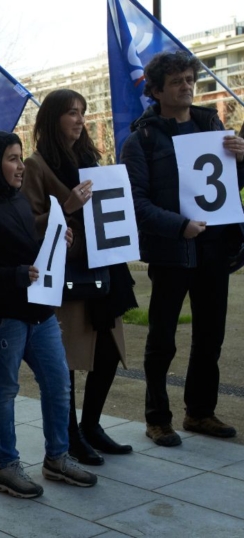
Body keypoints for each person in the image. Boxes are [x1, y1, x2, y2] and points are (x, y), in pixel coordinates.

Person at [120, 51, 244, 447]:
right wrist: (179, 226)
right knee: (162, 338)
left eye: (190, 79)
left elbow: (226, 188)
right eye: (176, 81)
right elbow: (136, 202)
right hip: (171, 251)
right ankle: (158, 418)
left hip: (215, 249)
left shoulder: (213, 125)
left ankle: (200, 412)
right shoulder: (141, 139)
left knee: (211, 336)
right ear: (156, 91)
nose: (187, 86)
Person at [0, 130, 97, 499]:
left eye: (20, 157)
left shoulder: (21, 201)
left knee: (58, 385)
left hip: (39, 313)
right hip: (1, 317)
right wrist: (14, 275)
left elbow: (27, 249)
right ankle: (5, 466)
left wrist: (58, 241)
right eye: (11, 158)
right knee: (5, 389)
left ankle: (58, 457)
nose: (20, 166)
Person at [22, 89, 138, 465]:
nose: (79, 119)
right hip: (68, 274)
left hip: (106, 265)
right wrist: (67, 208)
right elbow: (28, 224)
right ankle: (69, 435)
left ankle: (92, 425)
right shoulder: (37, 165)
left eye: (82, 112)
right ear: (53, 118)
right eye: (71, 112)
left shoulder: (93, 160)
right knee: (69, 357)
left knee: (108, 349)